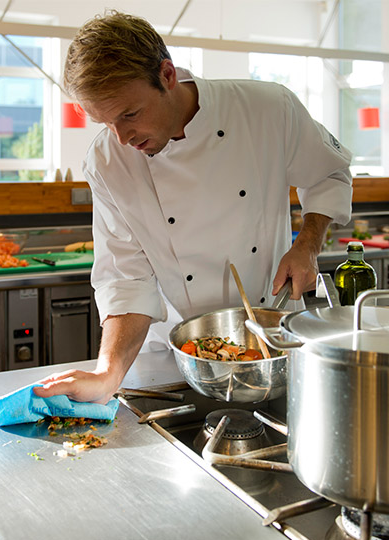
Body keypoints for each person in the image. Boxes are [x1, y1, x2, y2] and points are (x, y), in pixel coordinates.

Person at [35, 11, 352, 404]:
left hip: (270, 344)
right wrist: (107, 373)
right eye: (106, 123)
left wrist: (307, 245)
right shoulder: (107, 161)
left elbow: (329, 173)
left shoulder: (267, 108)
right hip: (177, 356)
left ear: (167, 75)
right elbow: (125, 278)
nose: (122, 138)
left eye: (130, 115)